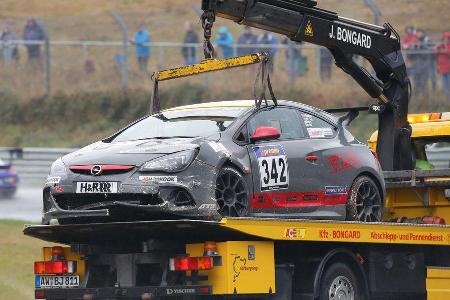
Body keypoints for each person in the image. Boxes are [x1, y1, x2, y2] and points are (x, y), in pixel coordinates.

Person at [410, 29, 431, 95]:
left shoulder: (426, 41)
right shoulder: (415, 42)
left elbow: (426, 55)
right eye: (417, 33)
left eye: (419, 33)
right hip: (415, 66)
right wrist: (413, 48)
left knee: (423, 83)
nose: (418, 34)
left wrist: (420, 47)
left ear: (422, 33)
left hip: (424, 66)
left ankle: (424, 96)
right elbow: (410, 56)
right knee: (416, 82)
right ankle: (417, 96)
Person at [436, 32, 450, 99]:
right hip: (442, 68)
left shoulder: (448, 45)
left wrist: (445, 46)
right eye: (444, 38)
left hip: (448, 69)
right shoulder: (441, 45)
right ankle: (446, 99)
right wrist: (439, 46)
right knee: (444, 86)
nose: (446, 40)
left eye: (447, 38)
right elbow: (434, 50)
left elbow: (448, 52)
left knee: (448, 84)